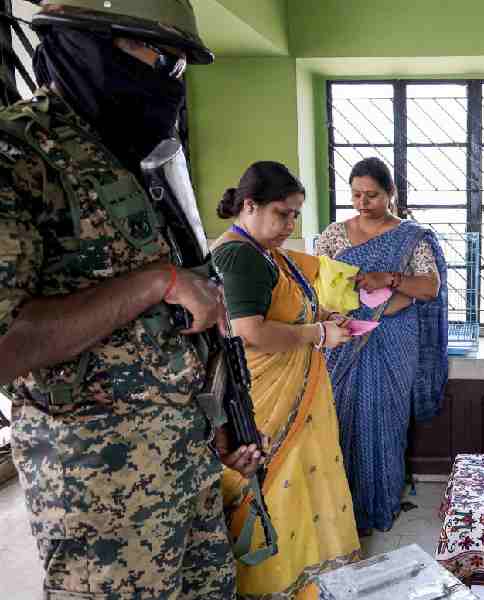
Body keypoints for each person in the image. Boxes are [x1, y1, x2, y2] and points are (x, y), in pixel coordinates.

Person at [0, 1, 263, 598]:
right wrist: (157, 282)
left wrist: (214, 420)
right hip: (99, 491)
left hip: (185, 460)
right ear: (86, 44)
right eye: (154, 55)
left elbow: (172, 329)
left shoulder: (133, 156)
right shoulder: (20, 156)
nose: (167, 77)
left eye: (177, 65)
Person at [211, 161, 361, 599]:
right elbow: (248, 331)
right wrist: (317, 334)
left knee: (304, 490)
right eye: (282, 213)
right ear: (249, 205)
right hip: (264, 400)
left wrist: (322, 317)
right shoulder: (237, 255)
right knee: (277, 490)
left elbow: (286, 309)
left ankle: (310, 583)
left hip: (298, 387)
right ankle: (277, 588)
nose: (290, 223)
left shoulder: (267, 252)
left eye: (295, 214)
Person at [316, 156, 448, 535]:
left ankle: (381, 504)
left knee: (386, 418)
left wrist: (389, 278)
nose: (362, 203)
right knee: (340, 416)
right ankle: (341, 512)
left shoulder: (413, 237)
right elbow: (319, 284)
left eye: (372, 195)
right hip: (343, 335)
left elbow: (429, 287)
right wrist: (329, 317)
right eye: (356, 195)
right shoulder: (334, 235)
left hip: (393, 336)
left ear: (390, 193)